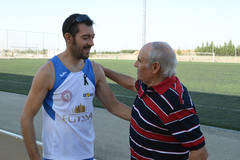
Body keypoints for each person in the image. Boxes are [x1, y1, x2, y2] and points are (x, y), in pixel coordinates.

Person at [20, 13, 131, 160]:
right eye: (85, 38)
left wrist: (146, 119)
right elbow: (26, 117)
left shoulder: (95, 70)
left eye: (92, 37)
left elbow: (114, 106)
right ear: (68, 38)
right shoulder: (48, 72)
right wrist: (35, 157)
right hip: (56, 157)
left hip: (87, 156)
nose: (91, 43)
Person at [102, 41, 208, 160]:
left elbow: (199, 153)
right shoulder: (149, 84)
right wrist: (105, 71)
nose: (135, 64)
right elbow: (131, 84)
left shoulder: (174, 102)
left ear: (155, 67)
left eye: (140, 60)